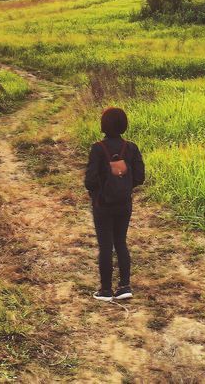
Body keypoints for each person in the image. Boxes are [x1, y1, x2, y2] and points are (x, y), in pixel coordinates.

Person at [83, 105, 145, 301]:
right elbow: (140, 177)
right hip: (124, 203)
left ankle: (106, 290)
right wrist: (124, 187)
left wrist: (97, 192)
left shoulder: (97, 148)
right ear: (124, 125)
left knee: (105, 245)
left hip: (102, 204)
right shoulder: (132, 148)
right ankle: (125, 286)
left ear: (103, 125)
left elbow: (90, 180)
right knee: (121, 242)